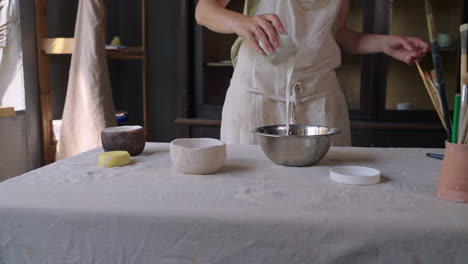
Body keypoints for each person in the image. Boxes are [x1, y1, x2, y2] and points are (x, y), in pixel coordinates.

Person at [195, 0, 429, 146]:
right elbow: (204, 10)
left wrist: (383, 43)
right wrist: (242, 23)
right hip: (255, 101)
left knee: (325, 199)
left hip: (320, 105)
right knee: (250, 196)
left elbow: (335, 33)